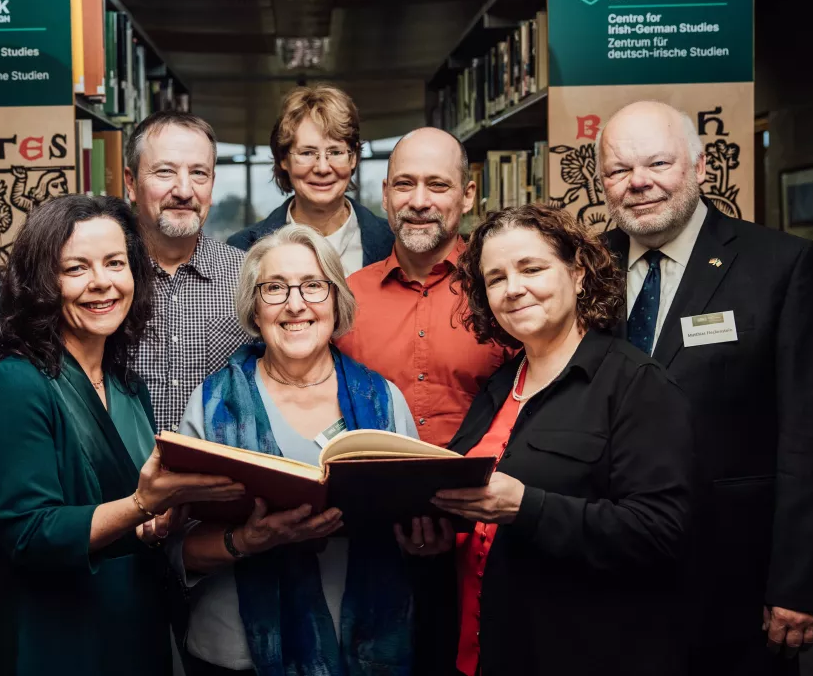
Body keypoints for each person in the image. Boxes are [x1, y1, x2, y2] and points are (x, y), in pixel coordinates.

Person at [597, 101, 813, 674]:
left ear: (700, 166)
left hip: (733, 578)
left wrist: (804, 583)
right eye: (618, 170)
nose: (638, 183)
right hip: (607, 573)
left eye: (658, 163)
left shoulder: (783, 267)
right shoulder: (586, 268)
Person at [0, 195, 245, 676]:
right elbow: (29, 534)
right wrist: (143, 503)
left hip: (133, 626)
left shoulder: (127, 384)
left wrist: (164, 520)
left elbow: (123, 519)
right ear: (40, 283)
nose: (102, 283)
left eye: (115, 263)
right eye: (76, 268)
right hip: (54, 638)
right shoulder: (14, 384)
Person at [421, 203, 693, 676]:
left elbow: (660, 532)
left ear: (579, 273)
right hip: (482, 649)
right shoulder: (500, 384)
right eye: (496, 278)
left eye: (532, 268)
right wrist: (437, 532)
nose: (514, 289)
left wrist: (526, 507)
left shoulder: (634, 384)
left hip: (580, 652)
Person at [176, 224, 425, 676]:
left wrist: (424, 538)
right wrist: (247, 541)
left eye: (313, 285)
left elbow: (411, 520)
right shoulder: (213, 405)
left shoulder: (383, 400)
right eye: (274, 288)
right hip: (236, 654)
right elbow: (180, 549)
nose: (295, 304)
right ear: (254, 306)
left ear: (336, 301)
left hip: (365, 654)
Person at [336, 127, 509, 447]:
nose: (418, 201)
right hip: (370, 489)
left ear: (468, 195)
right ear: (386, 195)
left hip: (480, 489)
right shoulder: (346, 299)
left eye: (437, 185)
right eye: (404, 184)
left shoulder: (504, 292)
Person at [124, 111, 251, 433]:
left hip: (226, 476)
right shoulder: (104, 281)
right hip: (126, 480)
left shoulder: (249, 278)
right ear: (131, 182)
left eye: (199, 173)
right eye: (165, 172)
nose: (184, 190)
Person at [227, 85, 393, 273]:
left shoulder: (394, 243)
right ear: (283, 159)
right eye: (307, 152)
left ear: (353, 157)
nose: (322, 168)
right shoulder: (241, 249)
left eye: (335, 152)